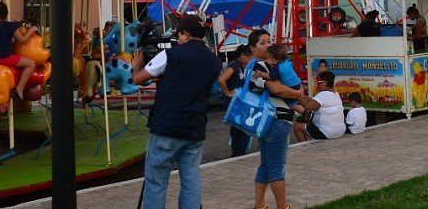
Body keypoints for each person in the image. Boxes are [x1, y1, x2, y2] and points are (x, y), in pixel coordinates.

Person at [130, 15, 222, 209]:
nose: (177, 39)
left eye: (179, 35)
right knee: (191, 179)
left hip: (167, 126)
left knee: (156, 181)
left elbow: (138, 79)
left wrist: (136, 65)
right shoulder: (215, 62)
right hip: (195, 128)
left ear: (185, 34)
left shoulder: (171, 54)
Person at [244, 28, 307, 209]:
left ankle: (260, 205)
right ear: (253, 48)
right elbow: (278, 89)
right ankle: (282, 206)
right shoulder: (262, 66)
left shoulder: (252, 65)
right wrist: (297, 92)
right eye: (262, 43)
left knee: (266, 164)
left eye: (269, 41)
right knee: (277, 168)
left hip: (264, 121)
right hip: (276, 118)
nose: (268, 46)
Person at [0, 1, 39, 100]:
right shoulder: (11, 26)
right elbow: (22, 40)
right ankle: (20, 88)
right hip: (4, 58)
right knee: (31, 63)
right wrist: (32, 29)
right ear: (6, 13)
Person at [217, 44, 252, 157]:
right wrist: (228, 93)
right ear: (242, 55)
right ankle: (239, 153)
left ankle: (238, 152)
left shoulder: (241, 66)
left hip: (239, 102)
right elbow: (222, 80)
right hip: (233, 103)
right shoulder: (234, 65)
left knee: (238, 128)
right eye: (248, 57)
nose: (249, 60)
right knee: (241, 128)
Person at [294, 71, 345, 141]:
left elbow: (307, 106)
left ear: (325, 82)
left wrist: (299, 98)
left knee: (297, 126)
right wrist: (306, 97)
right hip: (340, 131)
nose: (318, 85)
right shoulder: (335, 93)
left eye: (319, 82)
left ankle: (304, 146)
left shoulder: (323, 94)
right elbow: (318, 102)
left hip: (327, 133)